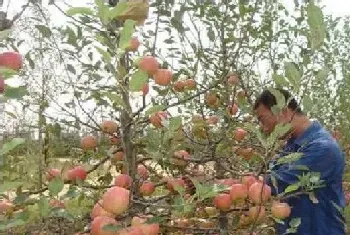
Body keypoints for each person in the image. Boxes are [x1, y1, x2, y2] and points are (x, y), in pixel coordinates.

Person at [253, 88, 346, 235]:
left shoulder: (323, 149)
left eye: (263, 119)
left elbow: (276, 184)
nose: (264, 128)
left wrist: (240, 185)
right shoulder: (290, 148)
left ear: (283, 111)